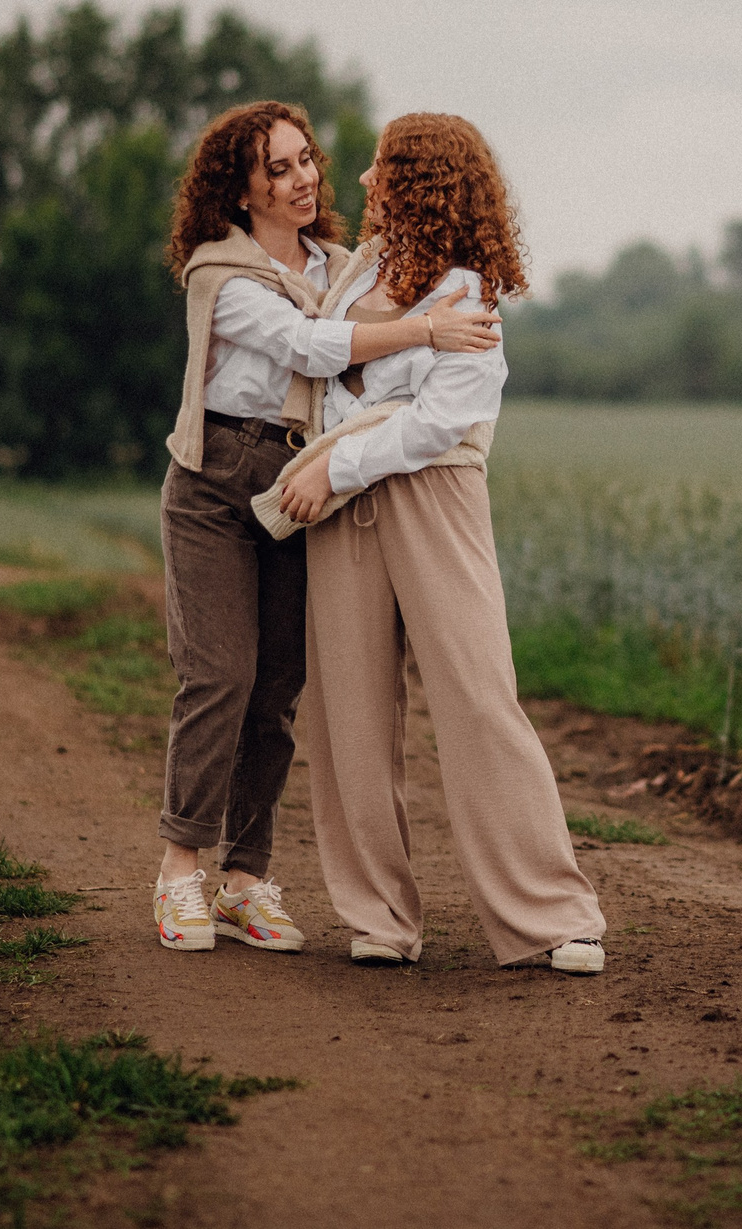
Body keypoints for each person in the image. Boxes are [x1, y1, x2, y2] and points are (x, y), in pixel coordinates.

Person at [151, 100, 499, 954]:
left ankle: (244, 878)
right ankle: (177, 871)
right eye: (279, 168)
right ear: (240, 188)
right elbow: (310, 347)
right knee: (220, 676)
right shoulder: (218, 270)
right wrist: (426, 328)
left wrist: (453, 321)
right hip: (215, 482)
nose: (304, 178)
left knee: (278, 685)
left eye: (307, 159)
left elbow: (377, 356)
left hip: (303, 480)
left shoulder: (343, 266)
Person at [266, 112, 607, 975]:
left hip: (428, 499)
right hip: (339, 503)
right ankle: (377, 916)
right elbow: (324, 368)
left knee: (478, 694)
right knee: (349, 711)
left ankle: (550, 917)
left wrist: (335, 469)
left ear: (420, 182)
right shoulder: (359, 272)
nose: (368, 179)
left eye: (384, 167)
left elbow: (440, 421)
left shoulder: (467, 290)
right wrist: (335, 461)